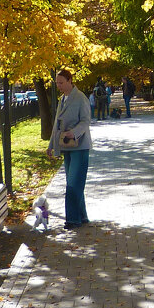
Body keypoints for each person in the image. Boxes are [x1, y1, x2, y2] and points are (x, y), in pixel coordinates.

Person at [50, 69, 91, 229]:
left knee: (73, 183)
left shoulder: (80, 98)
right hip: (66, 146)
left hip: (80, 146)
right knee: (72, 181)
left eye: (61, 82)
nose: (58, 85)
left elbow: (86, 121)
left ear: (69, 80)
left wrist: (73, 133)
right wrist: (51, 145)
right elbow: (56, 124)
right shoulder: (63, 99)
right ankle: (82, 216)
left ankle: (73, 219)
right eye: (57, 83)